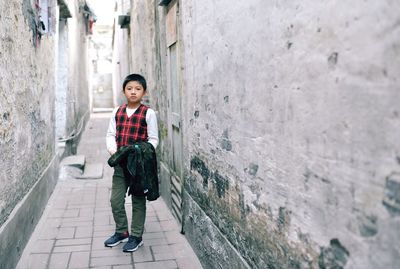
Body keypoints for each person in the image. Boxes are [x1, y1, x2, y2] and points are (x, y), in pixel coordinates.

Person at [104, 73, 159, 252]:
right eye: (129, 89)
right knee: (116, 200)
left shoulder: (148, 113)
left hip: (139, 168)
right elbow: (111, 134)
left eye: (137, 89)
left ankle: (136, 236)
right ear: (123, 91)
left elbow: (154, 140)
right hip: (121, 165)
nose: (133, 92)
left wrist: (140, 152)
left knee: (138, 200)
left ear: (144, 92)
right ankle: (121, 232)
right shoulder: (117, 111)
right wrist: (113, 150)